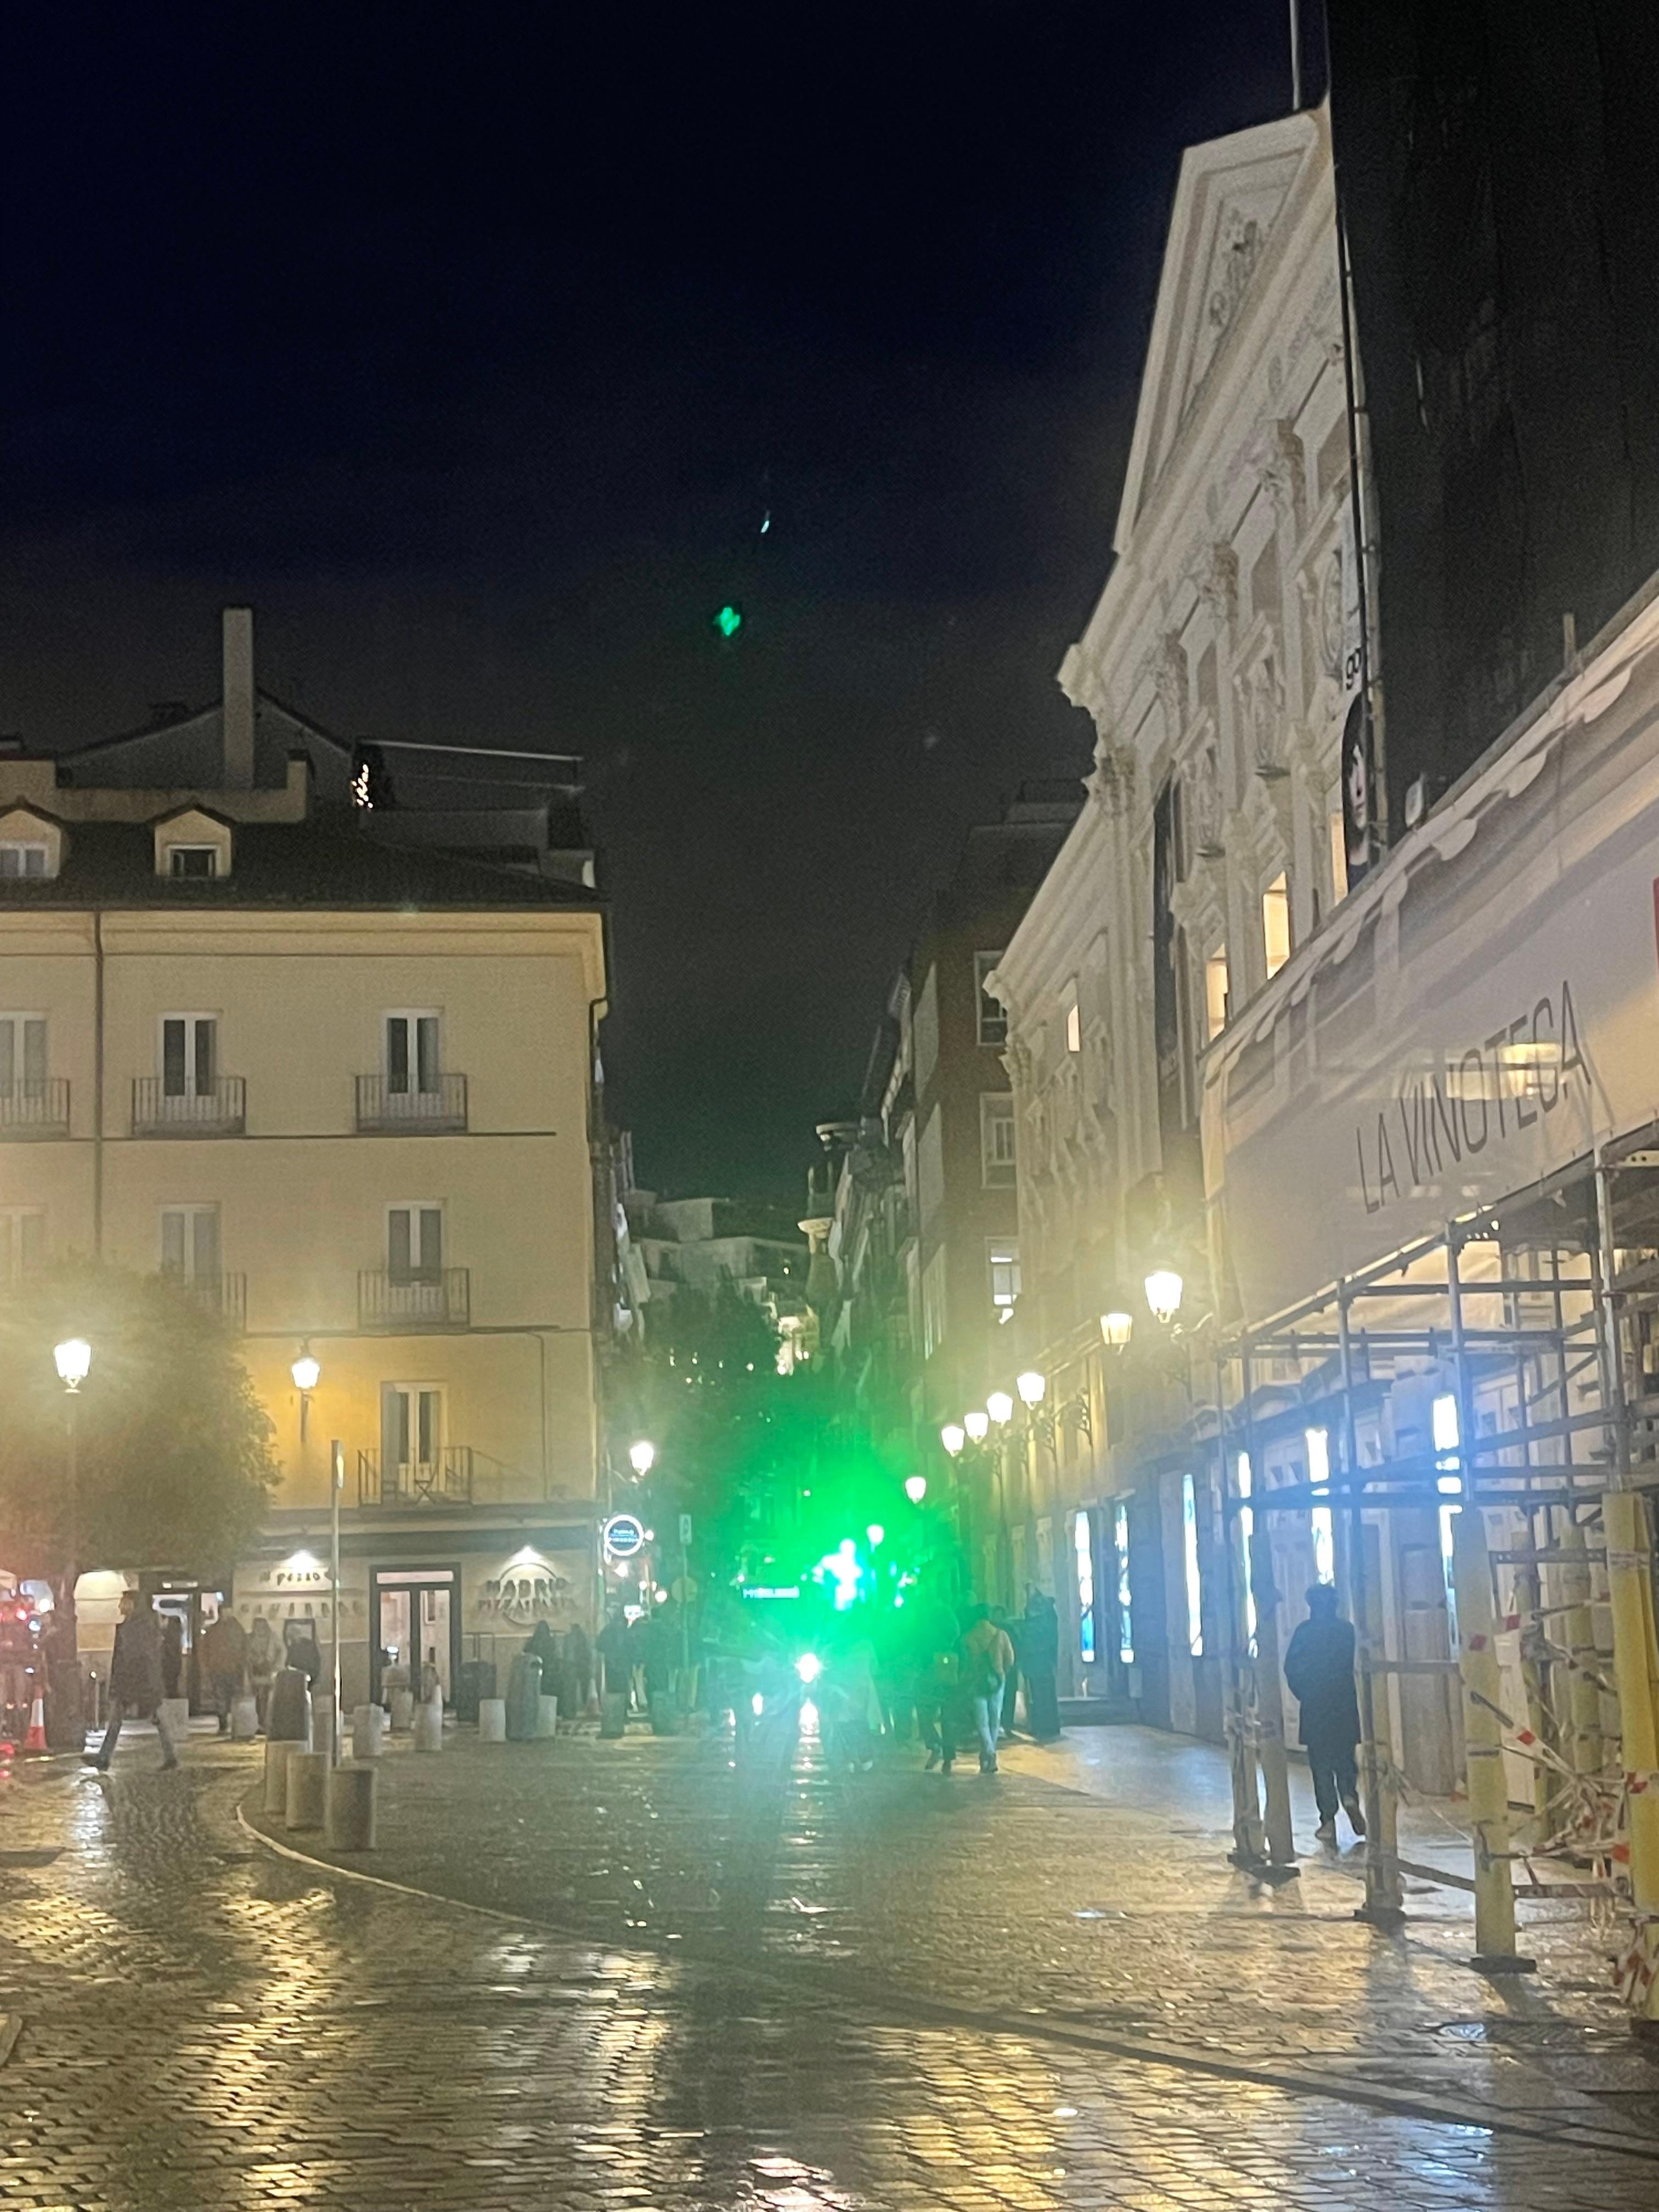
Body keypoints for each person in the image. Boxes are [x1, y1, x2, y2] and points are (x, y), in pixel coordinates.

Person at [1284, 1583, 1366, 1844]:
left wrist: (1305, 1692)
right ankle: (1349, 1795)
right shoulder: (1347, 1631)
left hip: (1315, 1705)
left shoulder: (1304, 1632)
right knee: (1345, 1757)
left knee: (1320, 1765)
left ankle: (1328, 1821)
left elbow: (1290, 1668)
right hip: (1343, 1704)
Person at [86, 1593, 176, 1771]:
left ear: (132, 1604)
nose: (119, 1606)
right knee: (122, 1720)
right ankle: (104, 1758)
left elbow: (134, 1657)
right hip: (141, 1681)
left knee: (151, 1719)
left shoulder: (138, 1626)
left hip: (137, 1682)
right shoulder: (139, 1624)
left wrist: (123, 1683)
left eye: (123, 1602)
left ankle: (170, 1757)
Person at [960, 1604, 1013, 1775]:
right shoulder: (1001, 1635)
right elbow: (1010, 1659)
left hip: (975, 1682)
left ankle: (988, 1754)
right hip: (997, 1680)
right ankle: (990, 1755)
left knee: (981, 1722)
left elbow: (964, 1663)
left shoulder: (968, 1637)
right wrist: (1001, 1672)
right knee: (994, 1720)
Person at [1020, 1589, 1062, 1742]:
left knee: (1040, 1696)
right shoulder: (1048, 1619)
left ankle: (1043, 1727)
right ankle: (1047, 1726)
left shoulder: (1039, 1623)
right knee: (1043, 1696)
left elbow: (1031, 1643)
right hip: (1043, 1664)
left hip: (1038, 1664)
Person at [199, 1609, 248, 1735]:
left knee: (223, 1697)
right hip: (227, 1669)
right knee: (230, 1697)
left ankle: (225, 1724)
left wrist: (207, 1666)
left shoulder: (214, 1631)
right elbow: (244, 1649)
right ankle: (231, 1724)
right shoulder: (237, 1629)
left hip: (223, 1668)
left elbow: (204, 1651)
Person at [247, 1616, 280, 1729]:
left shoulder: (273, 1638)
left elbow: (281, 1652)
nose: (260, 1629)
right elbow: (247, 1654)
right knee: (258, 1697)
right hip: (256, 1671)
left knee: (268, 1696)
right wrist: (255, 1659)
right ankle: (260, 1721)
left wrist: (276, 1665)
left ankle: (267, 1721)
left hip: (270, 1670)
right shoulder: (250, 1639)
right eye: (258, 1627)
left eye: (262, 1626)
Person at [160, 1613, 185, 1701]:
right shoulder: (176, 1632)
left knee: (170, 1681)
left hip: (170, 1661)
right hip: (174, 1661)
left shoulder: (171, 1633)